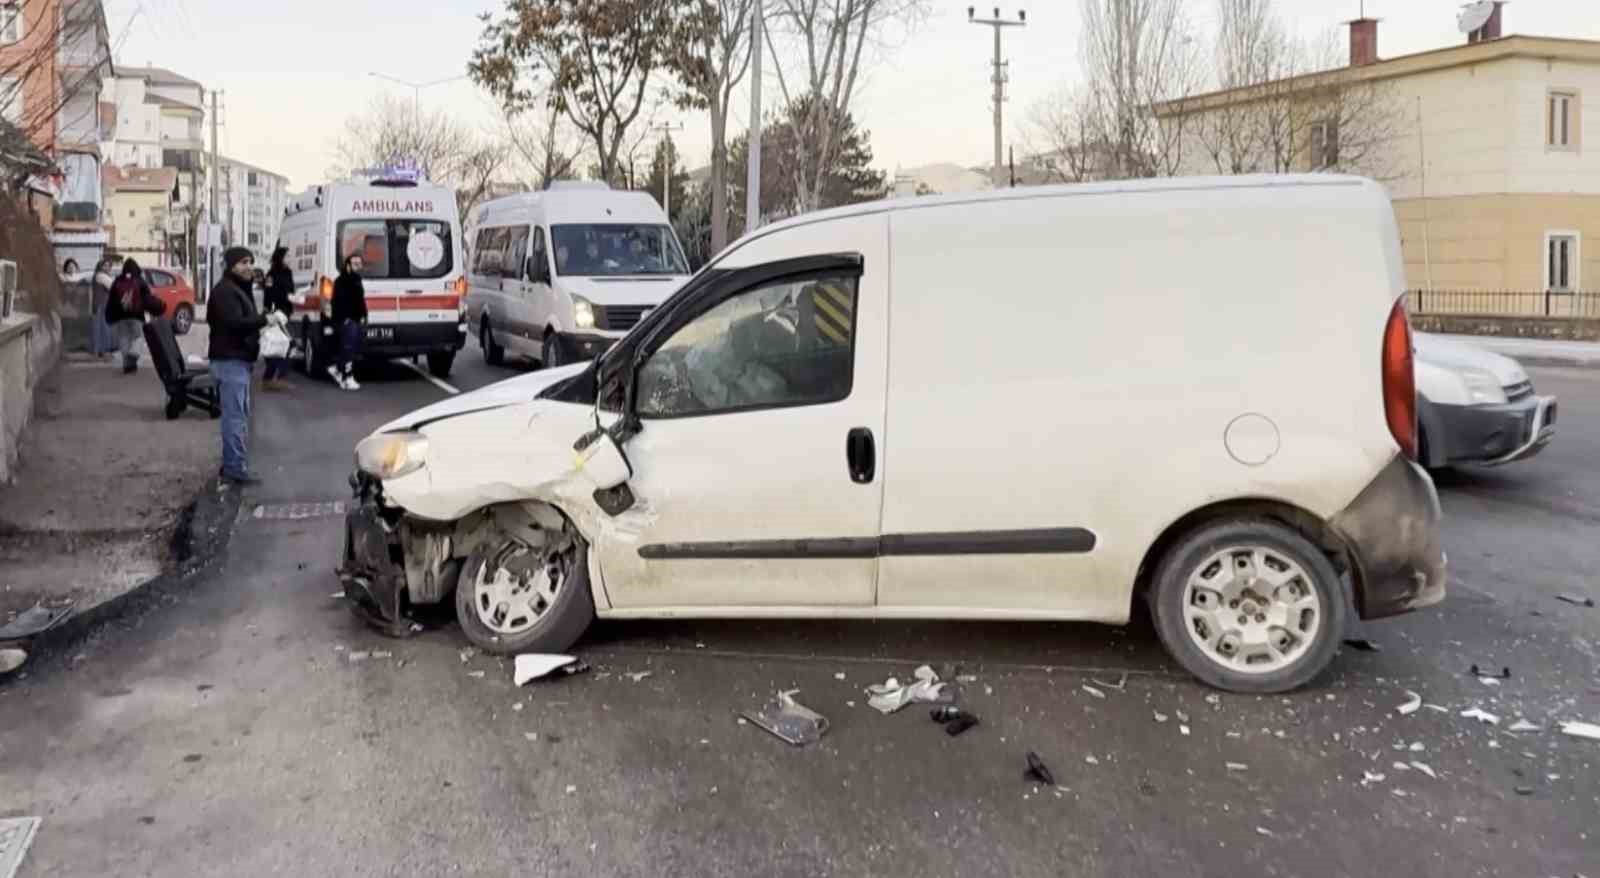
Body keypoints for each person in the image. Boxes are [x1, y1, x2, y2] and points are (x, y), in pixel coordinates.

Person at [208, 247, 279, 485]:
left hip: (237, 361)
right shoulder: (225, 292)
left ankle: (233, 464)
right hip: (230, 362)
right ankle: (233, 469)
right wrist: (264, 320)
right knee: (235, 418)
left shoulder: (237, 289)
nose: (248, 267)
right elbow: (235, 323)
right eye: (242, 263)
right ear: (230, 266)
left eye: (250, 262)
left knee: (238, 416)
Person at [104, 258, 164, 373]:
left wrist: (109, 315)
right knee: (138, 337)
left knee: (123, 338)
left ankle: (128, 365)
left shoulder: (117, 280)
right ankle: (134, 353)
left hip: (120, 316)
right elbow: (148, 298)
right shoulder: (140, 281)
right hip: (136, 315)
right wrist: (155, 309)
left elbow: (111, 300)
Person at [330, 254, 368, 391]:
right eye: (355, 264)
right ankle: (348, 377)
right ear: (348, 265)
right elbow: (337, 302)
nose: (358, 266)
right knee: (348, 349)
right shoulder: (341, 281)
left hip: (357, 319)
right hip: (347, 320)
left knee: (353, 348)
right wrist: (344, 319)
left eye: (360, 263)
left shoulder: (357, 279)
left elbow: (360, 299)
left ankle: (338, 370)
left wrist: (364, 314)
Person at [261, 245, 296, 391]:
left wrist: (294, 297)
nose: (289, 259)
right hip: (275, 314)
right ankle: (273, 378)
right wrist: (268, 313)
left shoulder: (288, 272)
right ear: (280, 258)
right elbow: (268, 295)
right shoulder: (271, 274)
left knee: (282, 345)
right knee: (284, 344)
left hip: (286, 312)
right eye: (287, 256)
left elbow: (291, 291)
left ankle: (272, 378)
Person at [89, 257, 117, 358]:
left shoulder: (100, 275)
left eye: (108, 266)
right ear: (100, 266)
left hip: (100, 304)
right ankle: (103, 351)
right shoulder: (101, 276)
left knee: (99, 327)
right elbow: (112, 286)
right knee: (103, 328)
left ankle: (98, 350)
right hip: (101, 304)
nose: (107, 267)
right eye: (105, 265)